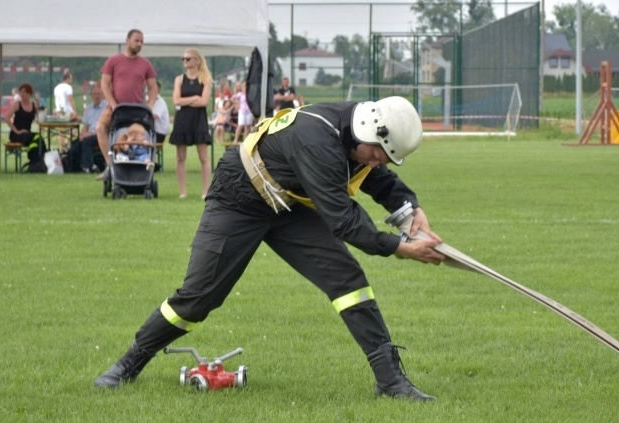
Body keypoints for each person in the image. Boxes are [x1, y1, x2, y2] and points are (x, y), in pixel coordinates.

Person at [94, 96, 445, 401]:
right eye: (379, 155)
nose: (377, 163)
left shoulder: (359, 134)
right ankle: (129, 363)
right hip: (239, 197)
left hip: (290, 203)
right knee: (199, 297)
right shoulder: (318, 142)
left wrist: (410, 211)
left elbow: (377, 177)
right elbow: (345, 221)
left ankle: (390, 380)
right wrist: (401, 248)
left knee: (347, 280)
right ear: (371, 133)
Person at [94, 29, 158, 181]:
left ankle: (142, 166)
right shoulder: (113, 61)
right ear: (127, 40)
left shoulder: (145, 64)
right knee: (100, 127)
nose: (139, 44)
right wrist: (113, 103)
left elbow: (153, 87)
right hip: (116, 108)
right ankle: (110, 165)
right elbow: (104, 83)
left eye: (142, 41)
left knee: (143, 135)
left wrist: (149, 105)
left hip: (138, 110)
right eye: (136, 40)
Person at [169, 48, 213, 199]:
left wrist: (187, 101)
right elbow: (176, 101)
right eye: (183, 59)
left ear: (197, 61)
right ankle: (183, 192)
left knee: (204, 157)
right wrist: (194, 97)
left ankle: (206, 191)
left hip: (199, 120)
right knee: (180, 157)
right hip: (182, 120)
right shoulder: (179, 79)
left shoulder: (206, 79)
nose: (185, 61)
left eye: (188, 59)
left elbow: (204, 102)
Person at [67, 83, 107, 173]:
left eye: (98, 94)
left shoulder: (107, 107)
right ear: (91, 96)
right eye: (94, 94)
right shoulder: (88, 109)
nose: (96, 96)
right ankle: (74, 168)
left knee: (86, 141)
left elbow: (106, 127)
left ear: (102, 95)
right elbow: (86, 126)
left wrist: (89, 134)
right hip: (89, 134)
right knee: (75, 146)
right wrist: (82, 134)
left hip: (101, 135)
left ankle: (86, 167)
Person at [5, 82, 47, 163]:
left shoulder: (34, 105)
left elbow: (39, 118)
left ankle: (36, 159)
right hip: (16, 134)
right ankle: (42, 158)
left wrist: (41, 111)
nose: (22, 93)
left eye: (24, 91)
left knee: (35, 141)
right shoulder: (17, 104)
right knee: (38, 137)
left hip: (28, 134)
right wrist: (17, 131)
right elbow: (6, 118)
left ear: (29, 93)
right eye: (21, 91)